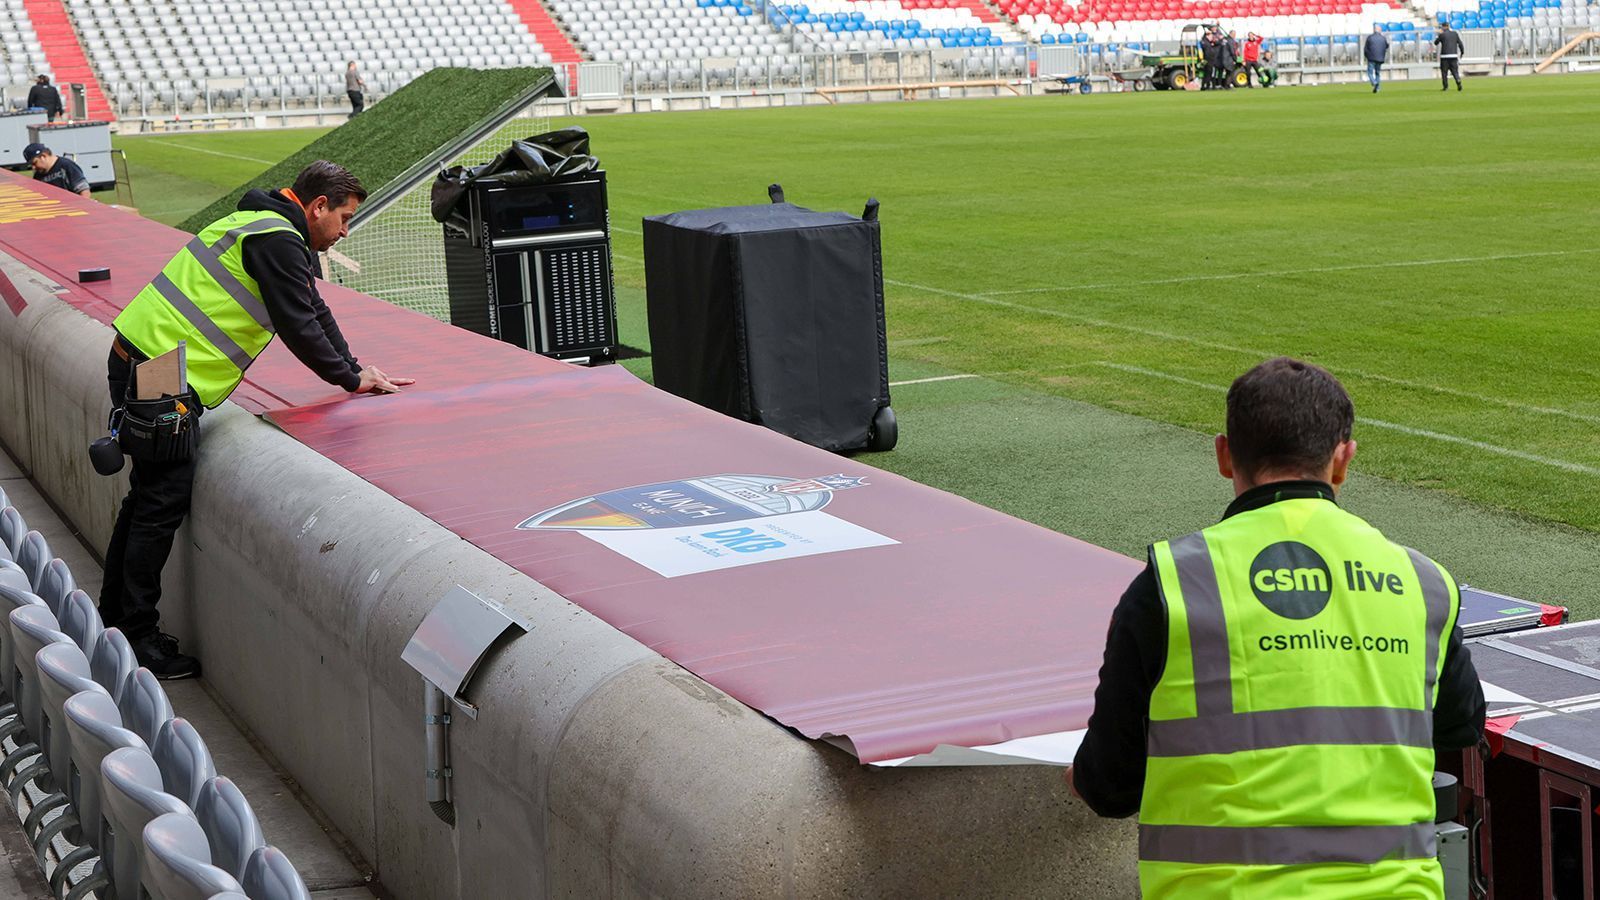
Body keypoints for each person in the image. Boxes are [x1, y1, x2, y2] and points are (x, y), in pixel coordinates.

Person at [1067, 357, 1486, 898]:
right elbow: (1460, 728)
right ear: (1343, 459)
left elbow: (1109, 788)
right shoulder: (1423, 581)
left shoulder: (1174, 582)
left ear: (1224, 455)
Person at [103, 160, 412, 678]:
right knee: (159, 503)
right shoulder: (278, 240)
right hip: (156, 374)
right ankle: (133, 638)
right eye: (345, 218)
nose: (345, 231)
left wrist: (356, 372)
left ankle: (114, 623)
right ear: (317, 208)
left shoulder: (264, 225)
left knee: (145, 500)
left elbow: (314, 309)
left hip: (144, 362)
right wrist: (349, 380)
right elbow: (298, 325)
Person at [23, 143, 90, 197]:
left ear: (43, 156)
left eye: (34, 163)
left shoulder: (66, 166)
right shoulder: (38, 176)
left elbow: (84, 191)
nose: (33, 167)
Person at [1435, 22, 1464, 90]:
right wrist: (1462, 52)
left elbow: (1436, 43)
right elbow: (1460, 43)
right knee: (1455, 71)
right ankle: (1458, 80)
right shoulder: (1455, 34)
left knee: (1444, 72)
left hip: (1444, 56)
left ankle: (1446, 86)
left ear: (1444, 27)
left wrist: (1439, 35)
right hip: (1453, 55)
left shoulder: (1442, 35)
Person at [1365, 24, 1390, 92]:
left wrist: (1367, 56)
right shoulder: (1383, 38)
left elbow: (1366, 49)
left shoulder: (1370, 37)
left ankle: (1374, 82)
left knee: (1370, 72)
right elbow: (1387, 46)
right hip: (1380, 58)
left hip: (1371, 58)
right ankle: (1378, 88)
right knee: (1377, 73)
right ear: (1380, 30)